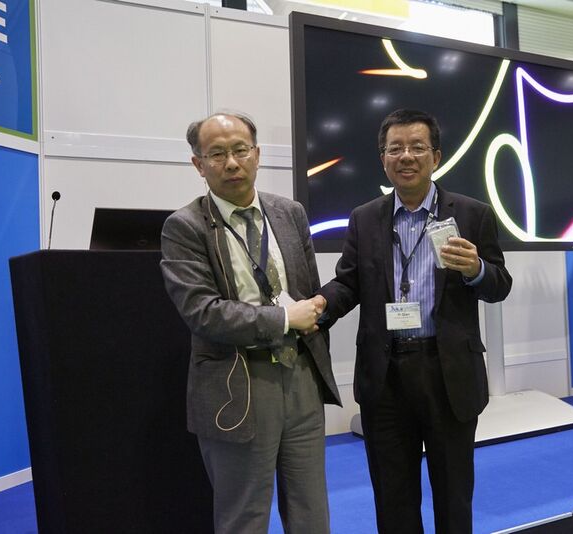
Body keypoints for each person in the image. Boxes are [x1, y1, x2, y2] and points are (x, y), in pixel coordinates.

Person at [316, 109, 513, 533]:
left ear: (436, 156)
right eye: (395, 149)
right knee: (393, 498)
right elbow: (348, 283)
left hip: (448, 375)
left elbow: (499, 285)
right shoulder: (364, 217)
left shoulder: (473, 214)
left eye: (417, 147)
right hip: (385, 377)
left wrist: (476, 268)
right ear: (383, 159)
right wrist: (318, 306)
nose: (406, 156)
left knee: (453, 496)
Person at [160, 112, 341, 533]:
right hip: (236, 384)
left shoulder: (289, 212)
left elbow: (307, 291)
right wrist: (284, 318)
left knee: (312, 513)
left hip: (301, 377)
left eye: (240, 150)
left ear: (257, 155)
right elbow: (202, 312)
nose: (231, 163)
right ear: (198, 164)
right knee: (243, 517)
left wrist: (311, 312)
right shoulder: (184, 227)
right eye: (217, 154)